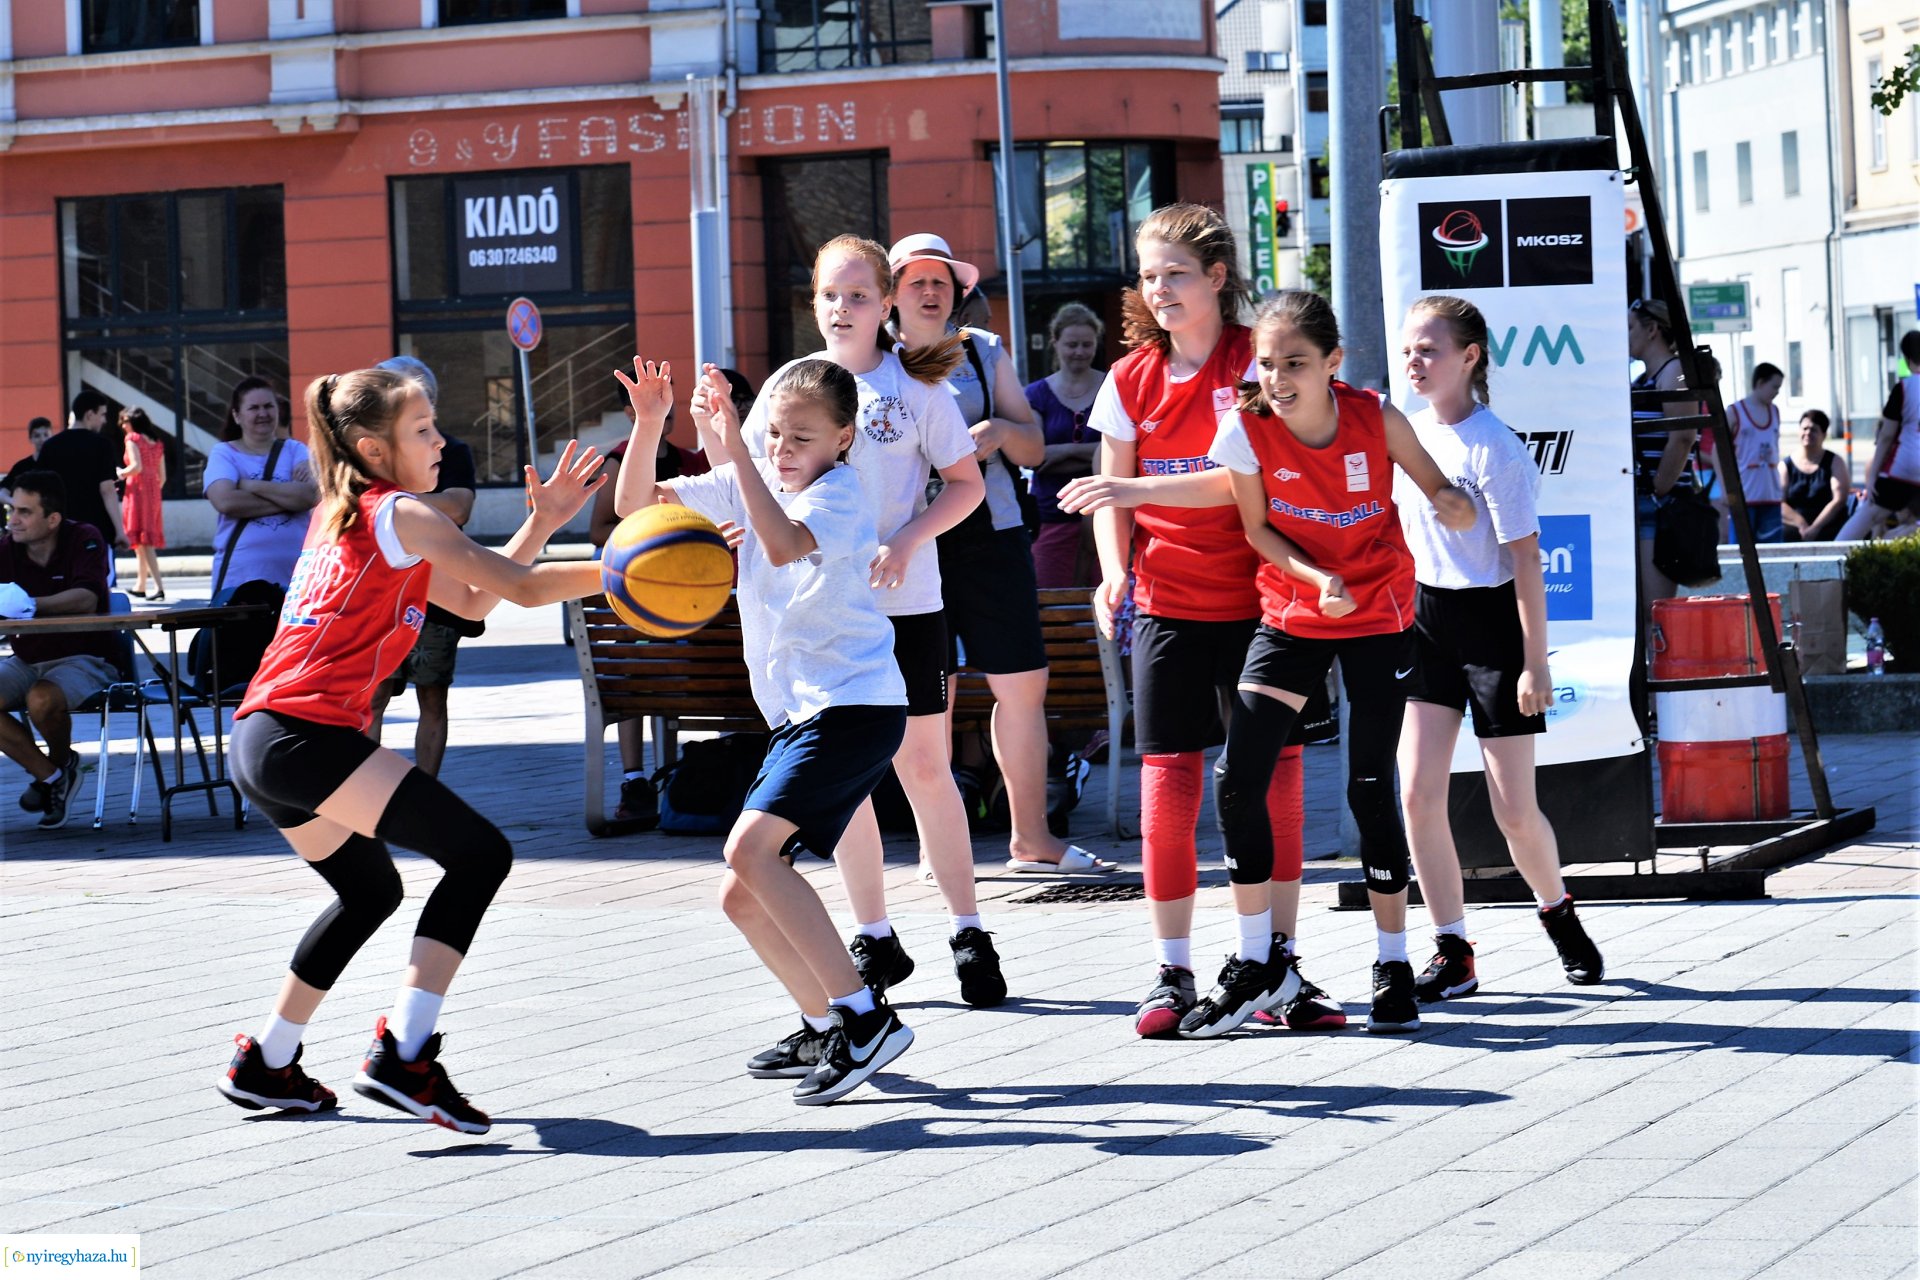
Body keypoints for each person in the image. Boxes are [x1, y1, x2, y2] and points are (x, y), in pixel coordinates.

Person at [214, 367, 608, 1132]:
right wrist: (630, 573)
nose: (441, 440)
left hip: (262, 741)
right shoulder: (401, 513)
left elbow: (472, 599)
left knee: (371, 893)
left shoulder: (357, 513)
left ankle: (267, 1059)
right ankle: (405, 1054)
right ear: (373, 446)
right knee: (482, 854)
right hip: (304, 738)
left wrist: (543, 521)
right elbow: (522, 595)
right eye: (423, 429)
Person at [614, 358, 916, 1105]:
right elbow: (633, 510)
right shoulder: (757, 479)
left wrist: (738, 459)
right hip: (803, 714)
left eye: (801, 437)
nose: (783, 448)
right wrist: (653, 423)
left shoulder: (841, 494)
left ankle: (864, 1018)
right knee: (741, 893)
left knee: (749, 850)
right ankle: (821, 1023)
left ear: (844, 439)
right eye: (774, 433)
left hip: (854, 706)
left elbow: (781, 543)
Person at [1055, 203, 1323, 1040]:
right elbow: (1110, 487)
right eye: (1148, 275)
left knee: (1272, 784)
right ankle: (1172, 970)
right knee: (1166, 788)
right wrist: (1110, 574)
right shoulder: (1132, 376)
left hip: (1266, 603)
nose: (1159, 288)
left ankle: (1279, 964)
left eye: (1176, 272)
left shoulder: (1256, 360)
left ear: (1217, 275)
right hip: (1168, 604)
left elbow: (1241, 481)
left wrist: (1131, 494)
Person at [742, 235, 1009, 1009]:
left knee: (924, 768)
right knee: (845, 786)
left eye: (859, 295)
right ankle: (875, 935)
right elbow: (757, 484)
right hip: (823, 621)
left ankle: (967, 928)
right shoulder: (789, 389)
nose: (842, 308)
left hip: (906, 607)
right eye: (831, 294)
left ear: (886, 304)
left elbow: (964, 484)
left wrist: (907, 536)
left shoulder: (916, 393)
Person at [1203, 290, 1477, 1036]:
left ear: (1333, 363)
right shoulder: (1247, 426)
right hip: (1295, 610)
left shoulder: (1375, 417)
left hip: (1379, 614)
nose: (1278, 379)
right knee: (1237, 776)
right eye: (1266, 364)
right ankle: (1259, 960)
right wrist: (1316, 578)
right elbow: (1257, 530)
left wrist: (1457, 506)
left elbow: (1436, 488)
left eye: (1295, 363)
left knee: (1366, 788)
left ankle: (1392, 961)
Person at [1391, 296, 1606, 1005]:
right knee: (1418, 792)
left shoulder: (1496, 447)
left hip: (1492, 628)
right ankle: (1453, 949)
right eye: (1409, 349)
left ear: (1469, 357)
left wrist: (1534, 662)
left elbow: (1526, 561)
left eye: (1429, 349)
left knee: (1514, 808)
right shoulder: (1408, 436)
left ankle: (1559, 914)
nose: (1415, 362)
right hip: (1427, 620)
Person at [888, 232, 1098, 877]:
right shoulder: (867, 360)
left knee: (1022, 686)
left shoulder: (982, 352)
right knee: (928, 696)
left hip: (993, 531)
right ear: (892, 292)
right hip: (909, 535)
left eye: (941, 282)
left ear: (958, 293)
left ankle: (1031, 837)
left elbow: (1033, 449)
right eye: (916, 280)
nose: (929, 291)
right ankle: (936, 845)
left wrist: (1003, 432)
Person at [589, 392, 710, 826]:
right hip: (650, 596)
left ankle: (641, 778)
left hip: (688, 605)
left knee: (634, 670)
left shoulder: (690, 461)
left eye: (671, 400)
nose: (671, 411)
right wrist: (654, 536)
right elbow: (600, 531)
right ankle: (637, 780)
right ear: (629, 413)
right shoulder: (617, 462)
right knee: (636, 665)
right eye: (659, 402)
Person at [366, 357, 479, 778]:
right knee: (372, 696)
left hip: (438, 591)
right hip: (380, 597)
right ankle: (368, 788)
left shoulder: (452, 450)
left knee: (432, 696)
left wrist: (390, 507)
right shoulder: (372, 453)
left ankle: (425, 791)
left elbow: (459, 508)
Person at [0, 471, 117, 831]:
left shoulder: (84, 538)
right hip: (25, 657)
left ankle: (60, 765)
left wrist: (29, 604)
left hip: (85, 658)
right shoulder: (6, 547)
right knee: (31, 690)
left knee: (41, 698)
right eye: (11, 510)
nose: (12, 520)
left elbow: (86, 598)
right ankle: (52, 776)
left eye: (23, 512)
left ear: (52, 519)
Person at [204, 377, 317, 596]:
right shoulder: (224, 454)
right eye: (253, 408)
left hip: (296, 579)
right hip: (240, 580)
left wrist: (250, 485)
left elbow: (308, 497)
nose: (262, 414)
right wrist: (288, 499)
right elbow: (226, 501)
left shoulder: (296, 450)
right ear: (237, 415)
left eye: (268, 406)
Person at [1027, 303, 1106, 590]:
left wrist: (1061, 452)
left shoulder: (1113, 386)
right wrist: (1096, 454)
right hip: (1051, 517)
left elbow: (1127, 453)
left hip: (1105, 519)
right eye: (1072, 344)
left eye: (1087, 344)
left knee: (1107, 613)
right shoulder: (1036, 394)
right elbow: (1035, 457)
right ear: (1055, 343)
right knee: (1052, 609)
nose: (1079, 352)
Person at [1626, 299, 1697, 613]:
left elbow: (1682, 437)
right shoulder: (1645, 378)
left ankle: (1660, 664)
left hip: (1660, 504)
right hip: (1645, 501)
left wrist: (1658, 490)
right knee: (1645, 611)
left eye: (1630, 328)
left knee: (1657, 611)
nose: (1624, 336)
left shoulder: (1675, 371)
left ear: (1652, 330)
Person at [34, 391, 128, 577]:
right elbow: (107, 490)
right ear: (89, 414)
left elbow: (40, 493)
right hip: (96, 532)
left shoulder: (51, 446)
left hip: (58, 533)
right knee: (98, 590)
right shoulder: (102, 445)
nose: (104, 421)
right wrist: (120, 531)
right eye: (102, 414)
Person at [1837, 330, 1920, 541]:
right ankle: (1894, 540)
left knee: (1870, 513)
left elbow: (1886, 435)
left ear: (1907, 359)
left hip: (1903, 467)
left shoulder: (1904, 388)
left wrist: (1873, 476)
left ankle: (1831, 557)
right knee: (1913, 526)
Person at [1727, 362, 1785, 543]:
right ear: (1760, 383)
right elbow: (1717, 451)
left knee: (1773, 556)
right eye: (1774, 387)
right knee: (1740, 554)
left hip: (1771, 496)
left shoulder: (1775, 411)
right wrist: (1726, 488)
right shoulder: (1735, 411)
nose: (1777, 392)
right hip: (1744, 497)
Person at [116, 407, 168, 601]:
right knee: (141, 541)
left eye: (124, 421)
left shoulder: (132, 439)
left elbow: (136, 467)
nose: (122, 426)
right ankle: (141, 584)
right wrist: (153, 489)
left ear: (132, 423)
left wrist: (121, 473)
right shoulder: (157, 443)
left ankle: (158, 586)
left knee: (144, 543)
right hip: (153, 492)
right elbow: (162, 477)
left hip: (137, 491)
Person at [1780, 409, 1848, 543]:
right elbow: (1778, 501)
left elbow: (1839, 500)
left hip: (1828, 526)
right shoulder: (1785, 465)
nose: (1808, 433)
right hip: (1794, 528)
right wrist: (1801, 524)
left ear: (1824, 435)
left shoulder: (1835, 462)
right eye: (1804, 428)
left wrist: (1816, 527)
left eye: (1814, 430)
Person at [0, 417, 54, 505]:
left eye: (46, 435)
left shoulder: (59, 463)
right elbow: (2, 490)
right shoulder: (21, 467)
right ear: (30, 439)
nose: (42, 439)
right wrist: (14, 502)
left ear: (52, 436)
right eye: (37, 436)